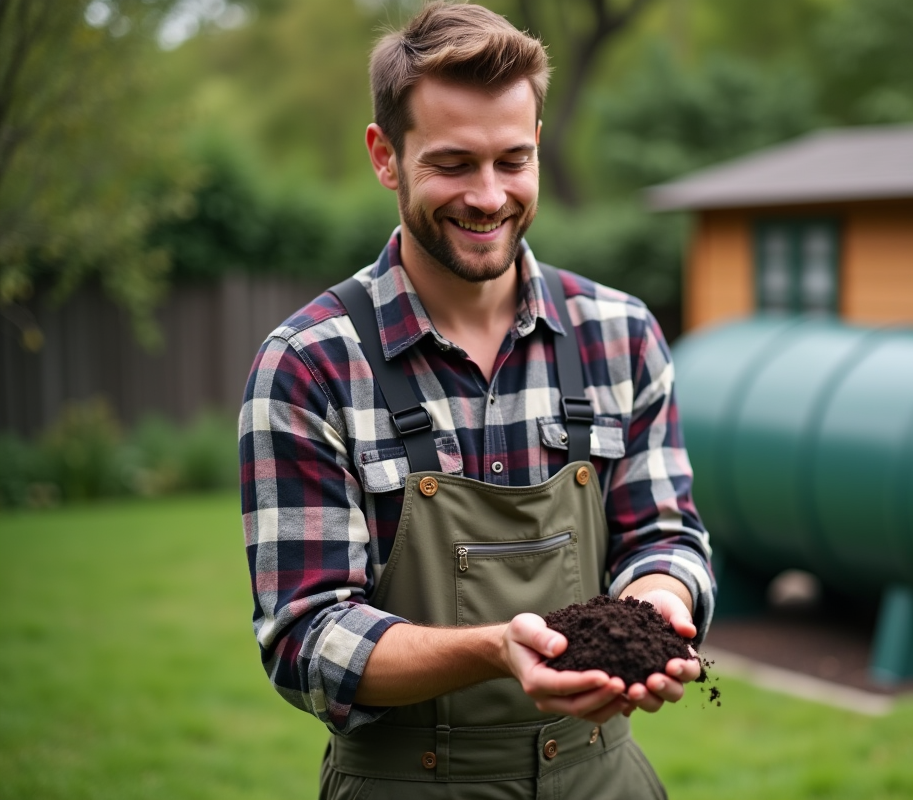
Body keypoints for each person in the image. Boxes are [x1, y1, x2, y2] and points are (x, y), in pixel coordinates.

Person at [238, 3, 714, 797]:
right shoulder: (308, 366)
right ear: (385, 157)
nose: (490, 197)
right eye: (454, 164)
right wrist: (497, 648)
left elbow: (666, 532)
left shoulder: (620, 334)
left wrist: (655, 606)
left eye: (513, 160)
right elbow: (306, 639)